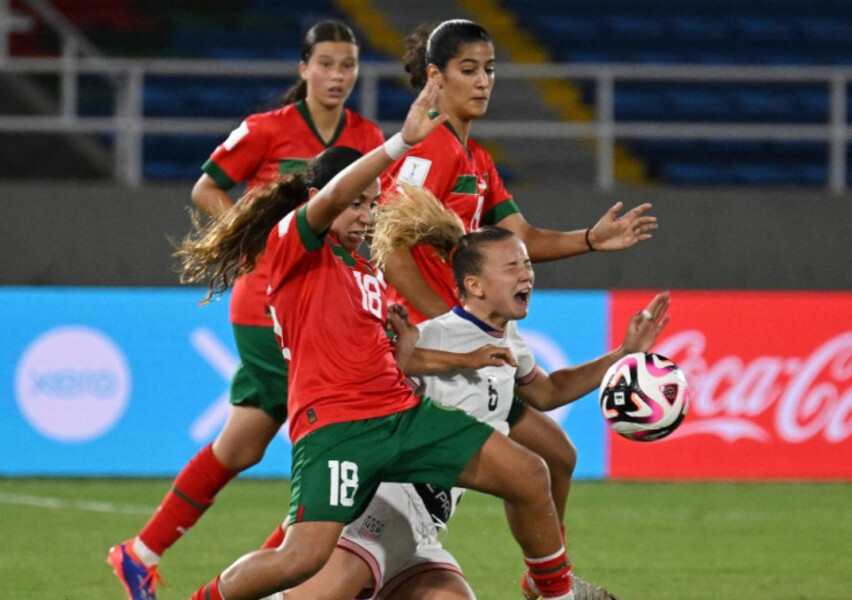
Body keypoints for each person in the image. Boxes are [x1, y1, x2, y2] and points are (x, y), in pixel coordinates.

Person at [178, 80, 576, 600]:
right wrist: (399, 145)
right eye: (356, 205)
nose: (365, 217)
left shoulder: (363, 270)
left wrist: (461, 356)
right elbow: (336, 194)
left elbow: (398, 358)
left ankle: (557, 595)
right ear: (321, 199)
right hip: (337, 428)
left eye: (371, 206)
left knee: (528, 472)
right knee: (300, 557)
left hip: (399, 417)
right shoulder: (293, 245)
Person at [260, 190, 668, 600]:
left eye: (526, 264)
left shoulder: (508, 339)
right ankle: (556, 591)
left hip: (423, 532)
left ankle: (551, 585)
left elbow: (547, 392)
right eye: (512, 266)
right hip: (379, 513)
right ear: (474, 285)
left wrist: (623, 354)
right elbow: (376, 380)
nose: (527, 274)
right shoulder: (435, 336)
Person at [107, 19, 385, 600]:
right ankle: (280, 581)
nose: (337, 76)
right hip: (270, 308)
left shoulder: (367, 137)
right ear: (303, 68)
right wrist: (258, 242)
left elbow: (376, 215)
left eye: (348, 66)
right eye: (327, 63)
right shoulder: (267, 130)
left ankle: (141, 553)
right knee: (344, 440)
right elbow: (207, 187)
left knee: (241, 446)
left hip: (330, 308)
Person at [381, 19, 658, 325]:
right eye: (469, 70)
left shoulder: (478, 159)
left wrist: (591, 239)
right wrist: (447, 326)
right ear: (436, 76)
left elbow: (522, 237)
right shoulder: (432, 147)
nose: (483, 81)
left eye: (489, 69)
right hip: (421, 337)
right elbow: (389, 246)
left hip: (455, 332)